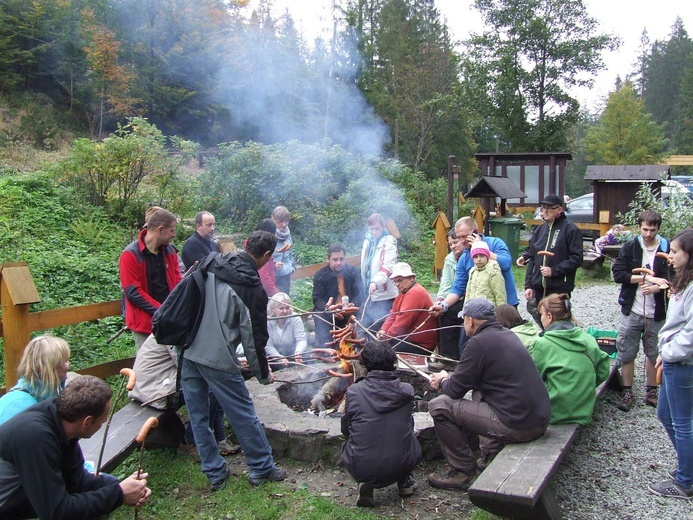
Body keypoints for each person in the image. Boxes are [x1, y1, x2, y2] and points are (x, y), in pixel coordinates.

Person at [179, 231, 286, 491]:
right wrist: (264, 374)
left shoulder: (212, 261)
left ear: (245, 245)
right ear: (267, 256)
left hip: (187, 349)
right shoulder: (252, 287)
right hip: (216, 356)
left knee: (198, 416)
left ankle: (215, 474)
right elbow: (254, 339)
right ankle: (261, 467)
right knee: (242, 412)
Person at [427, 298, 550, 490]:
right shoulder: (507, 334)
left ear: (471, 321)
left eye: (464, 319)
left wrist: (442, 380)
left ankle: (462, 473)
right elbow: (470, 378)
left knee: (439, 406)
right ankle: (489, 454)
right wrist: (451, 378)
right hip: (538, 419)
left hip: (519, 425)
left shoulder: (478, 343)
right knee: (478, 392)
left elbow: (454, 390)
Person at [0, 375, 151, 519]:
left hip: (25, 499)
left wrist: (125, 487)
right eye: (104, 418)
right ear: (87, 422)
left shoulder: (61, 420)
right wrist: (119, 494)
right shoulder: (35, 437)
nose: (105, 420)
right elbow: (58, 513)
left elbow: (77, 481)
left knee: (106, 488)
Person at [341, 341, 422, 507]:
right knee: (408, 424)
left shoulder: (354, 391)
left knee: (356, 430)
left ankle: (367, 482)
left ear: (366, 365)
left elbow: (346, 429)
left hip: (360, 466)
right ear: (392, 364)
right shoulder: (407, 391)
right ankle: (404, 481)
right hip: (401, 463)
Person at [648, 229, 693, 500]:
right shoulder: (684, 282)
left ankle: (686, 481)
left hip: (683, 364)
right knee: (665, 415)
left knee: (683, 422)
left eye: (675, 251)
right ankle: (688, 467)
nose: (670, 255)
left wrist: (671, 352)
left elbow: (690, 333)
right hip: (674, 358)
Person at [612, 210, 672, 411]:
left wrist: (658, 287)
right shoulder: (630, 247)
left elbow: (673, 276)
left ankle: (651, 390)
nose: (648, 234)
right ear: (639, 227)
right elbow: (618, 273)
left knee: (653, 352)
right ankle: (627, 390)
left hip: (657, 312)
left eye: (652, 230)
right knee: (627, 351)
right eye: (645, 229)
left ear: (658, 229)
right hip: (632, 309)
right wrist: (646, 279)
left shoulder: (667, 248)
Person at [430, 216, 519, 352]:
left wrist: (481, 248)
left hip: (503, 304)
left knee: (500, 346)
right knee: (448, 314)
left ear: (476, 231)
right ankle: (450, 359)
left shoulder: (495, 243)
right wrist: (444, 305)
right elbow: (458, 287)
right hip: (477, 306)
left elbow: (506, 264)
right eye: (459, 237)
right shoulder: (465, 257)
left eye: (465, 236)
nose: (462, 241)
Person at [531, 293, 611, 425]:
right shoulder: (587, 339)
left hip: (554, 413)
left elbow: (534, 381)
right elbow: (603, 372)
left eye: (542, 315)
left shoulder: (543, 344)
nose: (541, 319)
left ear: (549, 316)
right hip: (584, 410)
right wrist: (583, 385)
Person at [120, 208, 182, 351]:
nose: (174, 235)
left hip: (170, 320)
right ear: (161, 229)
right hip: (145, 324)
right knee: (148, 369)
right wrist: (161, 310)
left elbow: (178, 282)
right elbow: (133, 292)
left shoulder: (170, 252)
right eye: (172, 230)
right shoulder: (131, 254)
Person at [517, 194, 583, 326]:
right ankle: (546, 334)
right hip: (539, 286)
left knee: (558, 321)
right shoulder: (540, 229)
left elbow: (576, 259)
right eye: (543, 208)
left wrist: (554, 271)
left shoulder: (570, 229)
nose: (544, 211)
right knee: (534, 310)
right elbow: (532, 255)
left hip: (559, 287)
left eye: (549, 208)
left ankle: (568, 335)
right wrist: (529, 285)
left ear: (559, 210)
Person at [0, 335, 70, 425]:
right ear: (50, 367)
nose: (69, 364)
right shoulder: (21, 406)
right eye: (65, 360)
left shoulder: (37, 394)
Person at [378, 262, 438, 354]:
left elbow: (402, 322)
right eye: (395, 281)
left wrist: (385, 338)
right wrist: (383, 330)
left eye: (400, 280)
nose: (397, 284)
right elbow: (393, 314)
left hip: (421, 344)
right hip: (409, 338)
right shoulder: (404, 292)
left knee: (382, 352)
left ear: (411, 278)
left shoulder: (414, 293)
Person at [312, 243, 364, 347]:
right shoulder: (320, 275)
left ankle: (359, 344)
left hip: (350, 310)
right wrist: (328, 307)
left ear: (345, 258)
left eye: (341, 259)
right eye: (335, 260)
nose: (339, 263)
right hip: (330, 311)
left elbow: (360, 293)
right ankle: (325, 347)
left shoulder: (353, 272)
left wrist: (353, 304)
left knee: (364, 312)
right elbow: (317, 299)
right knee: (319, 314)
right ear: (328, 259)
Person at [432, 229, 465, 366]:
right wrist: (440, 300)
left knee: (449, 313)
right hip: (455, 296)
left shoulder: (471, 256)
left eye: (455, 242)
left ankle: (450, 357)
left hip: (469, 296)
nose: (453, 246)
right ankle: (445, 356)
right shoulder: (450, 259)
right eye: (450, 244)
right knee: (441, 312)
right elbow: (446, 283)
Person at [360, 213, 398, 329]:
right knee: (368, 328)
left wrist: (375, 282)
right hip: (370, 294)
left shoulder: (389, 243)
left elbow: (387, 267)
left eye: (377, 229)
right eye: (372, 229)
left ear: (383, 228)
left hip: (385, 295)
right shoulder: (367, 242)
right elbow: (366, 267)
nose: (374, 232)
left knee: (382, 329)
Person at [266, 292, 309, 368]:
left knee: (305, 354)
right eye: (281, 308)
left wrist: (298, 352)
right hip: (275, 358)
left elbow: (301, 339)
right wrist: (279, 357)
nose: (285, 311)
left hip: (293, 355)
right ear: (273, 309)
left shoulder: (295, 318)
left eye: (287, 308)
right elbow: (268, 345)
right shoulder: (268, 322)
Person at [465, 241, 506, 307]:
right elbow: (468, 292)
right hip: (473, 309)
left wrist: (501, 313)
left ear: (487, 256)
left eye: (482, 256)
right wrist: (465, 309)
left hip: (488, 311)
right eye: (475, 256)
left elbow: (499, 293)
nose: (479, 259)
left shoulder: (493, 271)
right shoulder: (472, 271)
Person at [271, 206, 296, 294]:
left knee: (284, 303)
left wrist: (292, 267)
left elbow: (290, 254)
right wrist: (273, 265)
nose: (284, 224)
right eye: (281, 221)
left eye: (286, 221)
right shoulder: (268, 235)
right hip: (272, 277)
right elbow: (261, 258)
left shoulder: (288, 236)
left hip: (286, 277)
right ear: (273, 220)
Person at [255, 218, 280, 297]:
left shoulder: (257, 245)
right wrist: (277, 295)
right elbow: (264, 277)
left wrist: (274, 265)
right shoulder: (260, 250)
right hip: (262, 293)